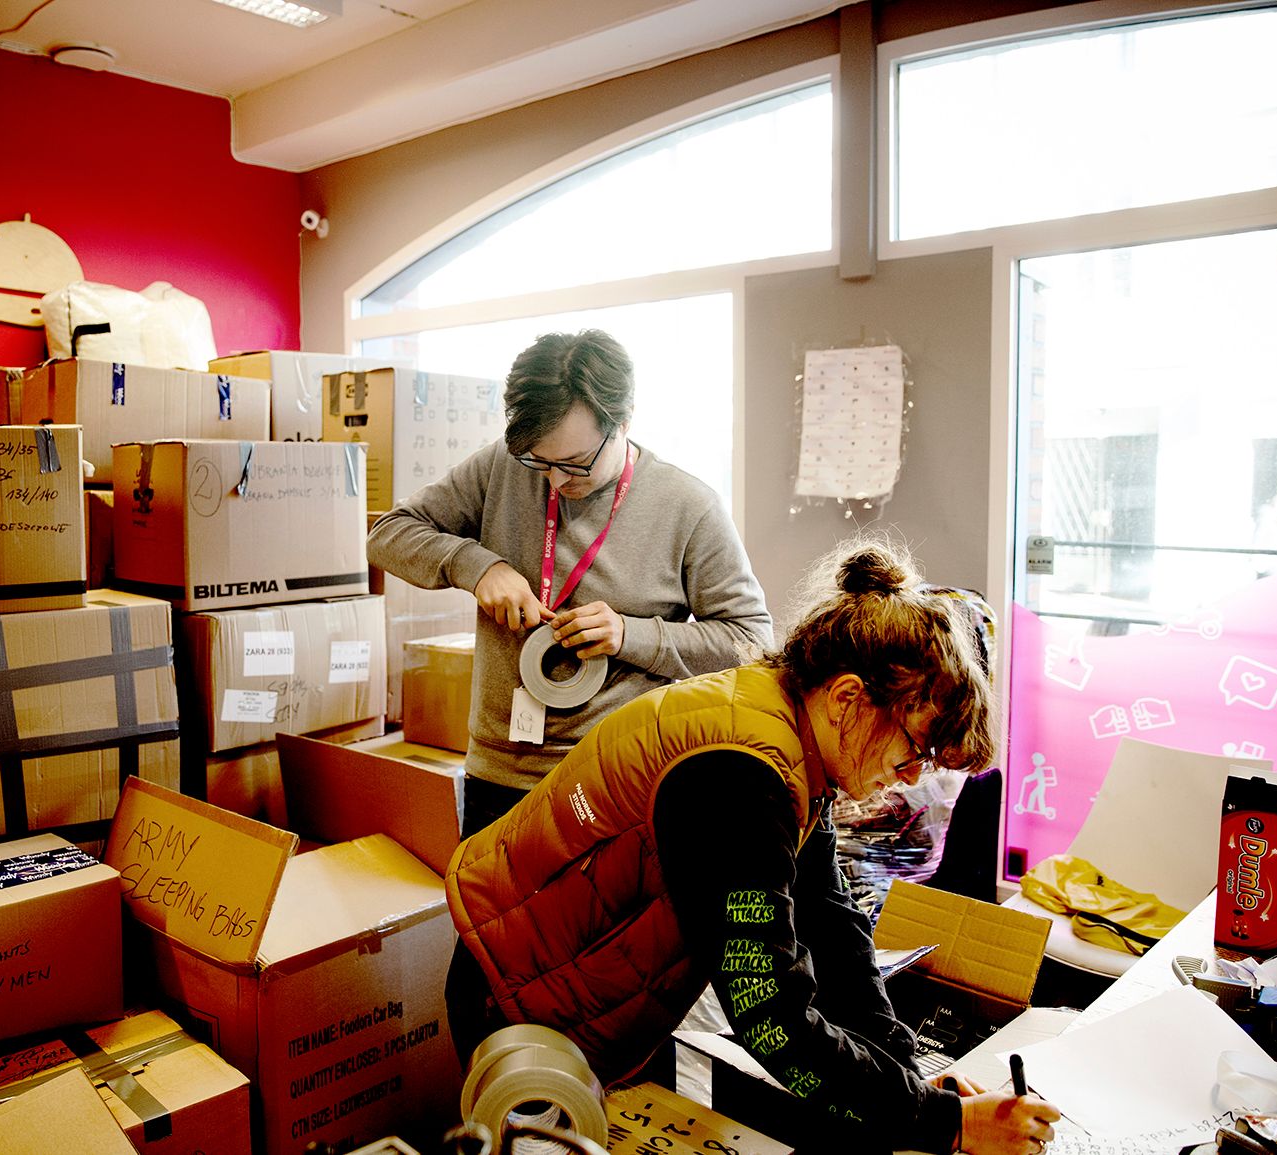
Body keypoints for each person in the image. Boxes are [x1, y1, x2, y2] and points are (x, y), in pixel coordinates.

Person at [443, 540, 1062, 1155]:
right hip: (520, 1000)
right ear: (848, 698)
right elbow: (770, 1016)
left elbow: (832, 925)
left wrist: (909, 1076)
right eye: (915, 749)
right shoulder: (741, 781)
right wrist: (946, 1124)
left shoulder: (789, 731)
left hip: (581, 983)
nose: (910, 776)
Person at [367, 330, 773, 835]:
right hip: (497, 773)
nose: (555, 482)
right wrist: (476, 566)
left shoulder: (689, 507)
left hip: (616, 782)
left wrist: (629, 635)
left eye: (575, 465)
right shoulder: (503, 465)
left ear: (623, 422)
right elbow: (388, 535)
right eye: (540, 462)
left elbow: (750, 640)